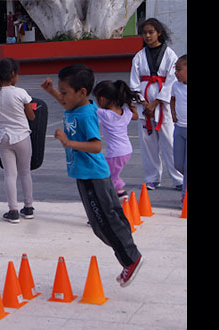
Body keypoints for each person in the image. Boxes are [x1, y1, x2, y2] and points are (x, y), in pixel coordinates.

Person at [41, 64, 143, 287]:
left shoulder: (87, 115)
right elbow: (67, 103)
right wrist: (52, 93)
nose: (63, 97)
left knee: (102, 224)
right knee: (111, 216)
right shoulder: (79, 105)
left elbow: (96, 146)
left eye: (65, 92)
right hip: (92, 174)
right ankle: (130, 253)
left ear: (83, 92)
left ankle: (130, 259)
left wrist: (69, 143)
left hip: (92, 176)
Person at [130, 18, 183, 190]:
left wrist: (157, 102)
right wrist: (144, 103)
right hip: (144, 104)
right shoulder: (139, 56)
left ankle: (178, 178)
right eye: (144, 32)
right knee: (147, 143)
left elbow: (172, 80)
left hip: (163, 105)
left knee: (169, 141)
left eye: (151, 32)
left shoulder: (170, 55)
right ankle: (152, 177)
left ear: (159, 32)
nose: (147, 35)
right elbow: (134, 83)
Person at [0, 58, 35, 223]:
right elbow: (31, 116)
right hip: (22, 137)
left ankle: (12, 211)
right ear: (13, 75)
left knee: (10, 175)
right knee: (25, 172)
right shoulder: (20, 93)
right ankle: (28, 207)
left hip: (3, 138)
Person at [92, 80, 140, 201]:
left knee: (107, 176)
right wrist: (130, 104)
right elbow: (136, 116)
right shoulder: (125, 112)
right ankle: (119, 193)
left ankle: (119, 195)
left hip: (115, 153)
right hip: (127, 150)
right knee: (112, 174)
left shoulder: (104, 114)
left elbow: (88, 110)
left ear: (102, 99)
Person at [170, 54, 187, 202]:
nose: (176, 73)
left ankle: (184, 198)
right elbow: (173, 99)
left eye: (179, 69)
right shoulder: (176, 85)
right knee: (179, 164)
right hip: (179, 129)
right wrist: (173, 114)